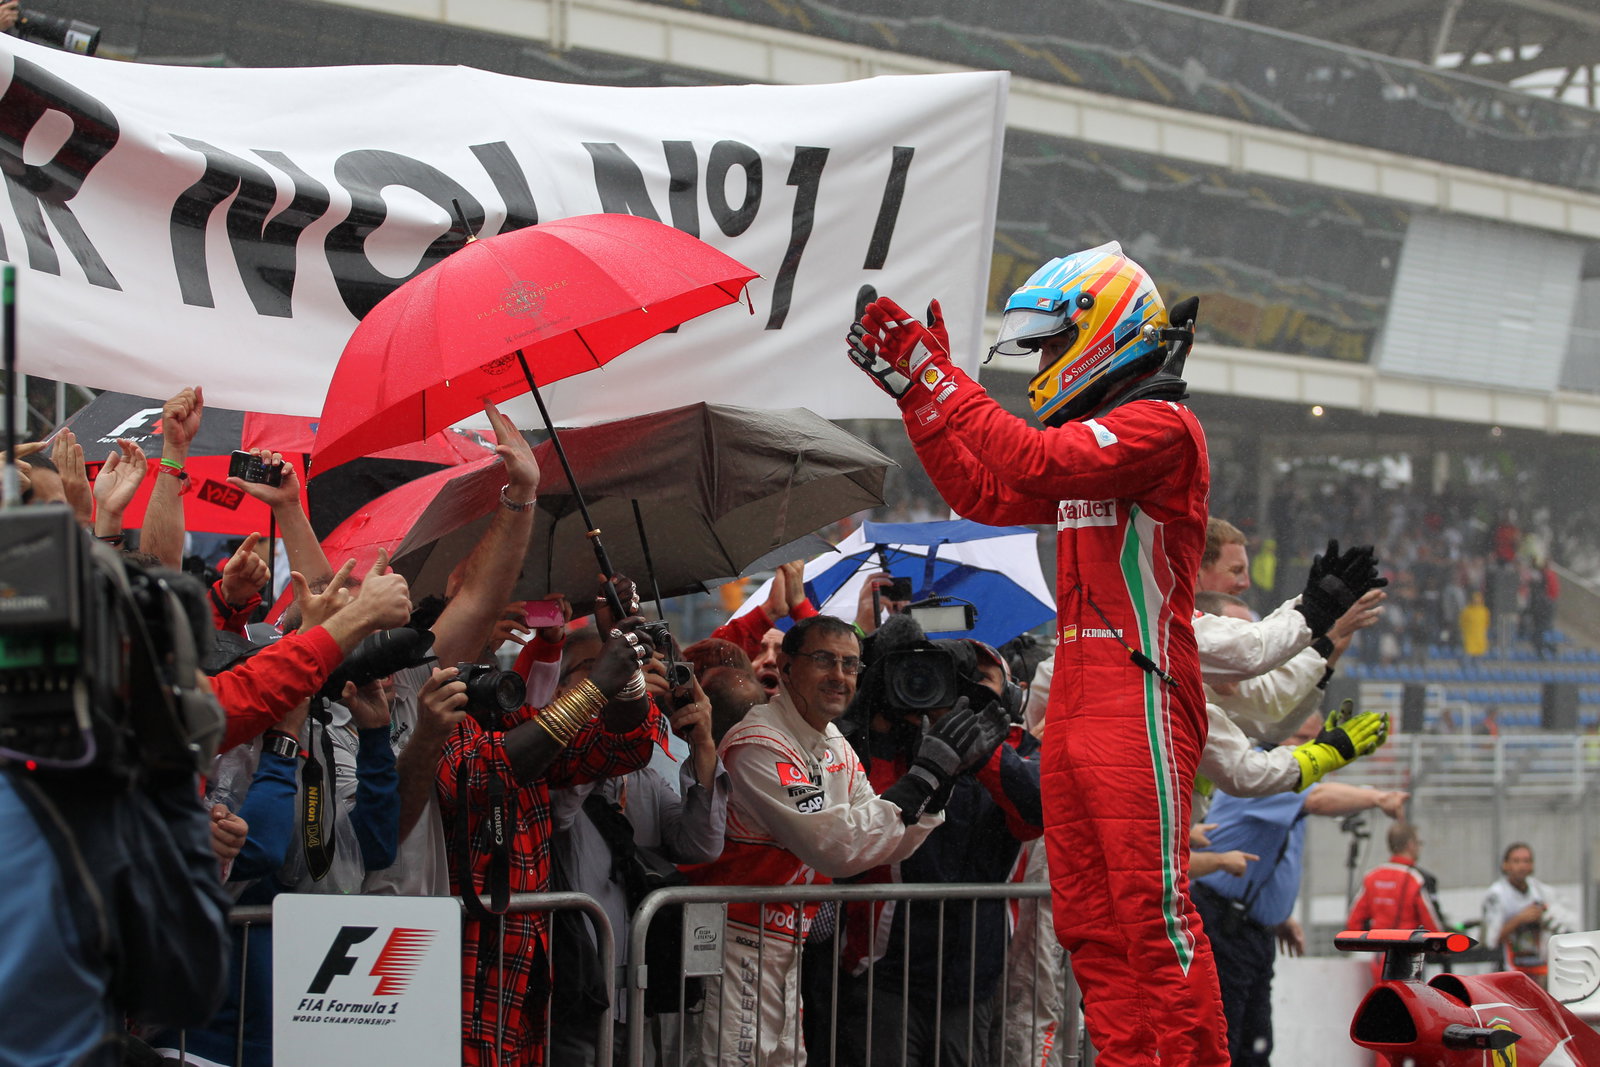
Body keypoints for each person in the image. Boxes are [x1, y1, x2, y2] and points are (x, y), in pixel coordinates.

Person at [847, 241, 1228, 1063]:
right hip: (1081, 697)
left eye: (1053, 342)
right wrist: (920, 398)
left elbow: (1031, 457)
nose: (1045, 361)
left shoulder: (1164, 428)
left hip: (1142, 690)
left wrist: (938, 375)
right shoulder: (1101, 442)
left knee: (1153, 917)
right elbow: (985, 492)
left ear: (1108, 329)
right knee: (1090, 923)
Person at [682, 615, 995, 1067]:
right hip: (733, 937)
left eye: (851, 665)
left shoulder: (831, 741)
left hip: (786, 941)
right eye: (824, 660)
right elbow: (836, 847)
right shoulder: (759, 742)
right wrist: (923, 776)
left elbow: (879, 839)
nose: (839, 676)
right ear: (787, 668)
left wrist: (937, 786)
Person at [428, 611, 668, 1067]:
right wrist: (596, 685)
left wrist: (629, 666)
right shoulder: (428, 715)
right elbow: (484, 773)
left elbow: (622, 746)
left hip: (526, 970)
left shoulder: (507, 711)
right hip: (460, 966)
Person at [826, 622, 1037, 1067]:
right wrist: (884, 714)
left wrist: (980, 751)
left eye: (979, 679)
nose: (957, 689)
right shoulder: (883, 740)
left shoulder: (1019, 747)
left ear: (1011, 695)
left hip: (971, 978)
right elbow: (864, 823)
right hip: (883, 973)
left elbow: (1037, 811)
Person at [1191, 721, 1409, 1066]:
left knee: (1253, 1039)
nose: (1303, 750)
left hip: (1247, 924)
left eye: (1311, 741)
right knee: (1227, 1037)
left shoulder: (1285, 784)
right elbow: (1320, 800)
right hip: (1222, 924)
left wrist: (1275, 915)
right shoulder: (1261, 776)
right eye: (1298, 738)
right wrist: (1377, 797)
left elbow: (1265, 852)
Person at [1346, 823, 1445, 981]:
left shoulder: (1373, 876)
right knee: (1410, 1003)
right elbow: (1433, 926)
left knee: (1384, 1002)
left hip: (1380, 958)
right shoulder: (1415, 878)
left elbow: (1353, 923)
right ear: (1410, 844)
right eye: (1419, 843)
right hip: (1408, 958)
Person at [1482, 843, 1575, 986]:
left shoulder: (1540, 891)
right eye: (1516, 861)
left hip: (1539, 970)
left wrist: (1545, 918)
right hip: (1507, 971)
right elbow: (1491, 941)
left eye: (1527, 861)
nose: (1522, 866)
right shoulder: (1496, 895)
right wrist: (1519, 919)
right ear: (1505, 865)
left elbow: (1566, 925)